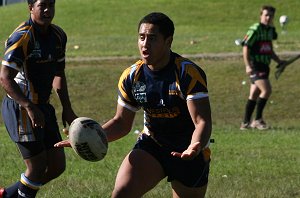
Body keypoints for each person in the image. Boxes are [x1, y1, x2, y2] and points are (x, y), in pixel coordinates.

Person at [55, 12, 212, 198]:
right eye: (141, 37)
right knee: (121, 194)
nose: (145, 44)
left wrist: (195, 146)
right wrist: (91, 136)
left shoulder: (187, 74)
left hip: (188, 150)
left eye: (152, 38)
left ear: (168, 42)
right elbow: (121, 122)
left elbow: (202, 121)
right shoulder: (132, 76)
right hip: (153, 145)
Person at [0, 0, 77, 197]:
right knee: (37, 166)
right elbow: (4, 77)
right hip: (21, 108)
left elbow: (59, 74)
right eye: (42, 5)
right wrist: (28, 106)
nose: (47, 10)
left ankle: (8, 194)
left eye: (51, 5)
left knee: (57, 165)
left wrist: (67, 109)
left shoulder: (59, 36)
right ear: (30, 8)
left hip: (43, 106)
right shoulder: (22, 37)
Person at [240, 5, 285, 130]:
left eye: (271, 15)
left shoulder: (270, 30)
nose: (268, 18)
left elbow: (268, 49)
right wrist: (248, 66)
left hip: (265, 66)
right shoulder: (255, 30)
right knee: (266, 90)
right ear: (261, 15)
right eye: (266, 15)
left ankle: (245, 123)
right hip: (255, 66)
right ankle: (257, 120)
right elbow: (245, 47)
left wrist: (279, 61)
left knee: (254, 94)